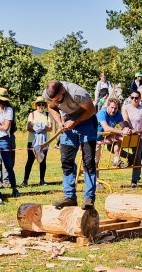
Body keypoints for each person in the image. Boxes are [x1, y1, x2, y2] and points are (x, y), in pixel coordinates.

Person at [42, 81, 97, 210]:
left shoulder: (77, 93)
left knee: (88, 161)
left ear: (62, 90)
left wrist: (76, 121)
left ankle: (89, 197)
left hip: (87, 121)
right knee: (66, 160)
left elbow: (92, 110)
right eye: (53, 99)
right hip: (68, 122)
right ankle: (69, 197)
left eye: (58, 99)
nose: (57, 102)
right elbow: (51, 107)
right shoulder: (49, 95)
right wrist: (59, 121)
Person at [0, 88, 21, 197]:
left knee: (8, 165)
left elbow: (6, 127)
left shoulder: (9, 110)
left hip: (3, 139)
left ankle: (14, 189)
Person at [95, 98, 131, 182]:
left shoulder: (117, 113)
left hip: (106, 137)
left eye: (115, 108)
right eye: (112, 107)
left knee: (119, 138)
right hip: (94, 138)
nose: (113, 110)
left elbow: (123, 126)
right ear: (107, 106)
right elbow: (106, 128)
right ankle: (96, 181)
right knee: (95, 161)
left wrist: (126, 129)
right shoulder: (101, 113)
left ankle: (116, 160)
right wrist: (122, 131)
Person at [121, 91, 142, 187]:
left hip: (140, 137)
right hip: (128, 135)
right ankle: (130, 156)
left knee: (138, 158)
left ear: (139, 98)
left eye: (137, 97)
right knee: (110, 147)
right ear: (130, 98)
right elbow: (125, 120)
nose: (134, 99)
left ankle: (134, 180)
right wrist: (130, 130)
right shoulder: (125, 107)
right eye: (132, 97)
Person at [22, 96, 52, 187]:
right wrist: (39, 128)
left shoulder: (48, 114)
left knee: (43, 160)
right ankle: (25, 180)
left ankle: (42, 180)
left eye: (43, 104)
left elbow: (50, 128)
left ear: (45, 105)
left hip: (44, 142)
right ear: (36, 105)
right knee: (30, 160)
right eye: (39, 104)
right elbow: (29, 127)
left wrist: (42, 127)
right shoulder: (32, 114)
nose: (41, 106)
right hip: (32, 141)